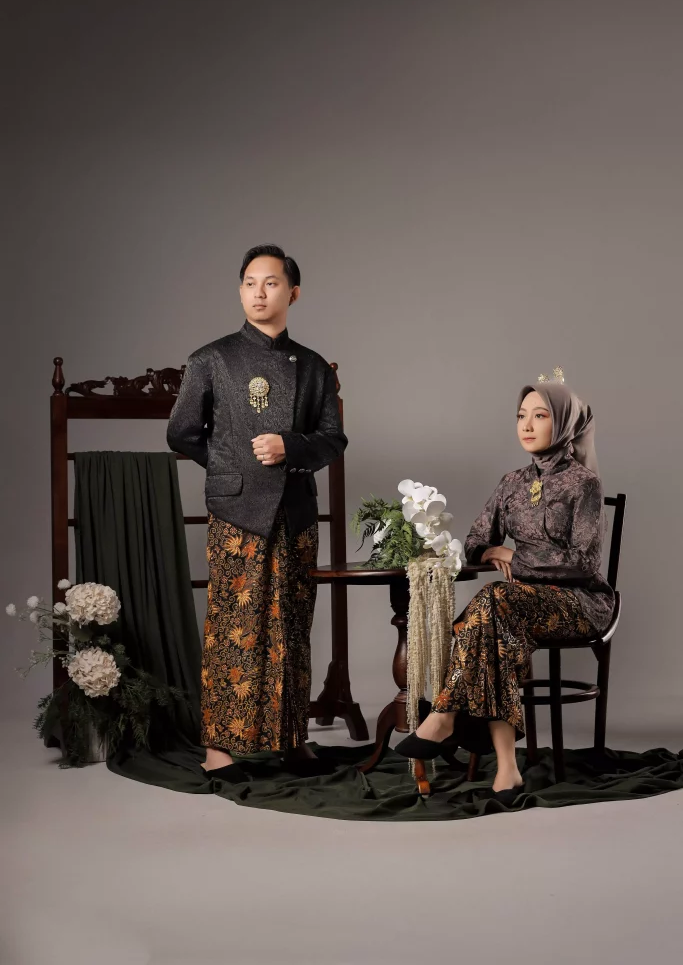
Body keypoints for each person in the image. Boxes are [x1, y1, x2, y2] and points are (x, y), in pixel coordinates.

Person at [167, 244, 347, 782]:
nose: (259, 293)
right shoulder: (211, 359)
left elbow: (333, 439)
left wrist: (291, 446)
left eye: (270, 283)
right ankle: (218, 749)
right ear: (240, 290)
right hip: (237, 510)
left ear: (293, 293)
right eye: (249, 283)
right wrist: (232, 466)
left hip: (295, 510)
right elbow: (181, 432)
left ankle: (293, 741)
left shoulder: (314, 367)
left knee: (293, 626)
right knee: (233, 627)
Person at [395, 377, 614, 804]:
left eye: (540, 415)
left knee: (493, 603)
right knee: (496, 622)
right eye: (521, 416)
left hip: (580, 602)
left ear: (563, 423)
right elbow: (476, 540)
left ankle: (443, 715)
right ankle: (507, 770)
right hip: (516, 606)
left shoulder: (583, 483)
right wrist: (490, 548)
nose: (526, 425)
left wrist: (516, 557)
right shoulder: (511, 482)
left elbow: (584, 562)